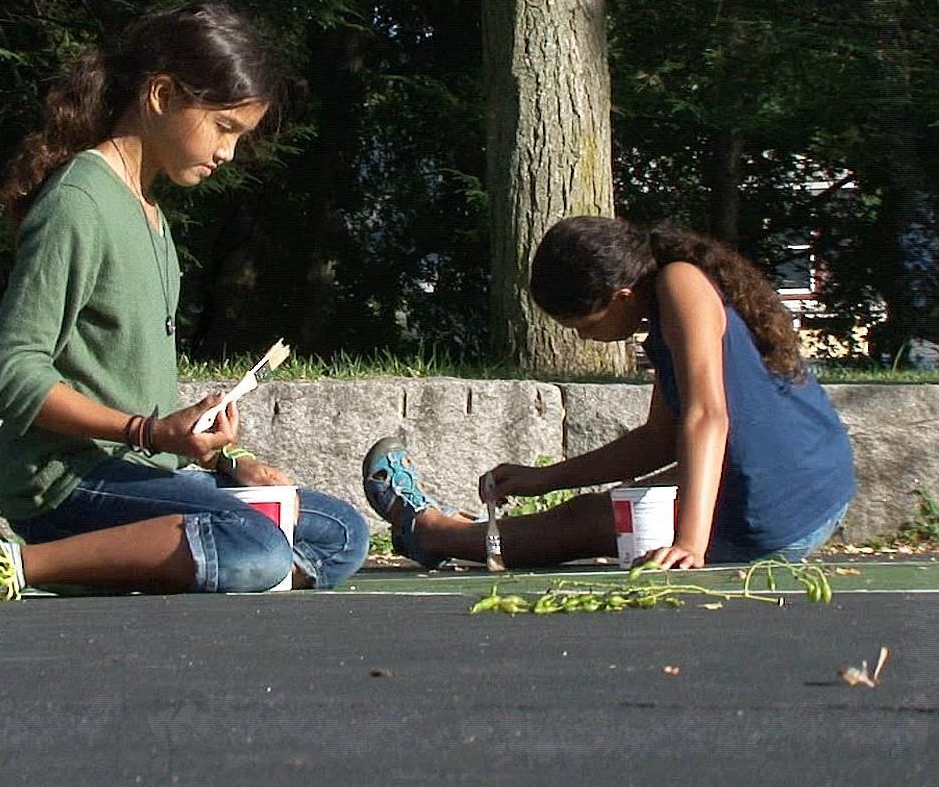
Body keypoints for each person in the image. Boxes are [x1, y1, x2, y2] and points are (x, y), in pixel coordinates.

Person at [0, 2, 368, 601]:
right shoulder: (79, 202)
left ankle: (146, 562)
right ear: (161, 95)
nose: (228, 154)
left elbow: (133, 397)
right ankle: (13, 565)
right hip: (68, 483)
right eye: (224, 128)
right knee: (257, 543)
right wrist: (148, 432)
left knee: (340, 531)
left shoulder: (153, 217)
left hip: (140, 469)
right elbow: (9, 374)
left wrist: (220, 460)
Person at [364, 215, 855, 570]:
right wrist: (546, 478)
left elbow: (707, 417)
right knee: (608, 508)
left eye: (583, 324)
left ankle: (430, 531)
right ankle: (465, 533)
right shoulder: (672, 301)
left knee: (591, 520)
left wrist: (690, 543)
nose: (581, 338)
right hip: (813, 491)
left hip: (774, 514)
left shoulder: (680, 284)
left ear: (620, 297)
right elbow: (659, 440)